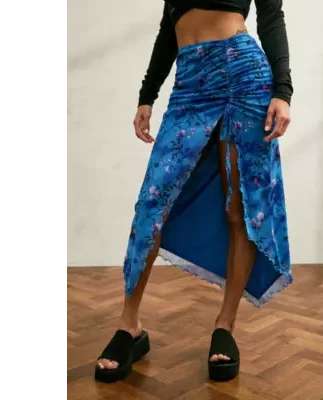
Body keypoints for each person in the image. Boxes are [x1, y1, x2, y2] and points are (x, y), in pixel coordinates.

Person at [95, 0, 293, 383]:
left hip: (244, 76)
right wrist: (147, 95)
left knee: (240, 207)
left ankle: (225, 326)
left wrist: (282, 91)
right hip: (189, 83)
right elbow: (167, 30)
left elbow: (272, 15)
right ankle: (129, 326)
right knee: (152, 204)